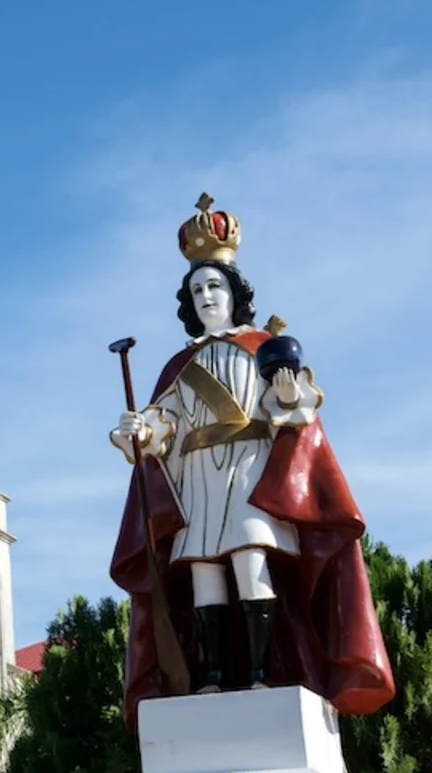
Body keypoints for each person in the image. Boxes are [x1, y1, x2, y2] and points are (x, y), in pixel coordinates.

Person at [108, 195, 393, 723]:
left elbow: (295, 410)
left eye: (214, 285)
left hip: (248, 474)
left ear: (235, 292)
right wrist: (137, 430)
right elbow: (163, 425)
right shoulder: (180, 365)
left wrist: (286, 395)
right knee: (203, 573)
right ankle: (214, 677)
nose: (206, 296)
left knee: (249, 559)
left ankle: (262, 672)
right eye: (196, 289)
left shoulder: (265, 348)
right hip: (197, 479)